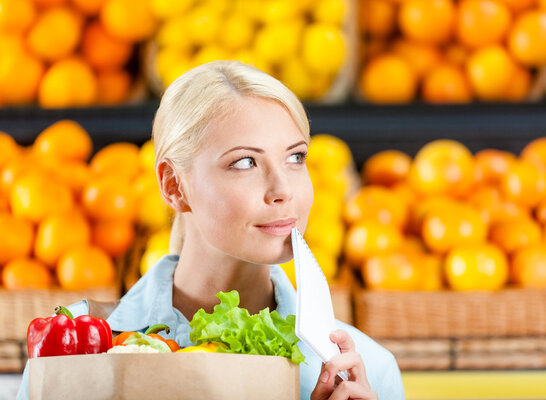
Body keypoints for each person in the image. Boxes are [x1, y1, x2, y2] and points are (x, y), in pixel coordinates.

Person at [18, 60, 404, 400]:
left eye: (295, 157)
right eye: (245, 163)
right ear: (174, 186)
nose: (284, 189)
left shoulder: (364, 371)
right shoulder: (70, 345)